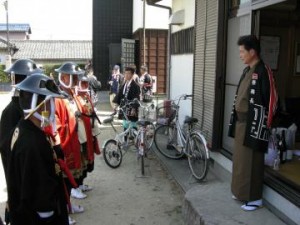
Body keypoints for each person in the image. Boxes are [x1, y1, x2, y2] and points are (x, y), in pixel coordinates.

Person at [6, 73, 69, 225]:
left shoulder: (24, 127)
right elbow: (41, 196)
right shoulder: (33, 142)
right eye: (50, 101)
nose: (52, 106)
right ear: (38, 104)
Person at [228, 35, 278, 211]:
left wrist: (267, 123)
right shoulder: (247, 70)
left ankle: (254, 198)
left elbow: (272, 99)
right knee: (241, 161)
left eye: (242, 51)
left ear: (252, 51)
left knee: (251, 162)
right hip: (242, 124)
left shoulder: (263, 70)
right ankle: (241, 192)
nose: (240, 55)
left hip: (254, 124)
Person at [0, 59, 43, 224]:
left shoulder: (29, 107)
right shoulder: (11, 113)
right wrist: (12, 194)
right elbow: (8, 157)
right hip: (21, 181)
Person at [54, 62, 88, 224]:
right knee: (62, 183)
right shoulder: (56, 97)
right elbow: (56, 125)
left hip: (73, 143)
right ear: (65, 77)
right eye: (73, 79)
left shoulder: (69, 95)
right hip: (63, 147)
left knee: (69, 181)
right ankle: (64, 214)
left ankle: (68, 206)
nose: (76, 82)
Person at [113, 66, 141, 132]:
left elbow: (136, 98)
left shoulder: (135, 86)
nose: (126, 75)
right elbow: (119, 95)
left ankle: (135, 140)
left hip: (132, 108)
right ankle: (126, 141)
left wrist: (134, 108)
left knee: (132, 125)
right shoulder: (124, 84)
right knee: (125, 125)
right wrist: (116, 105)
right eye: (125, 73)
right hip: (125, 107)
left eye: (128, 73)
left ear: (132, 75)